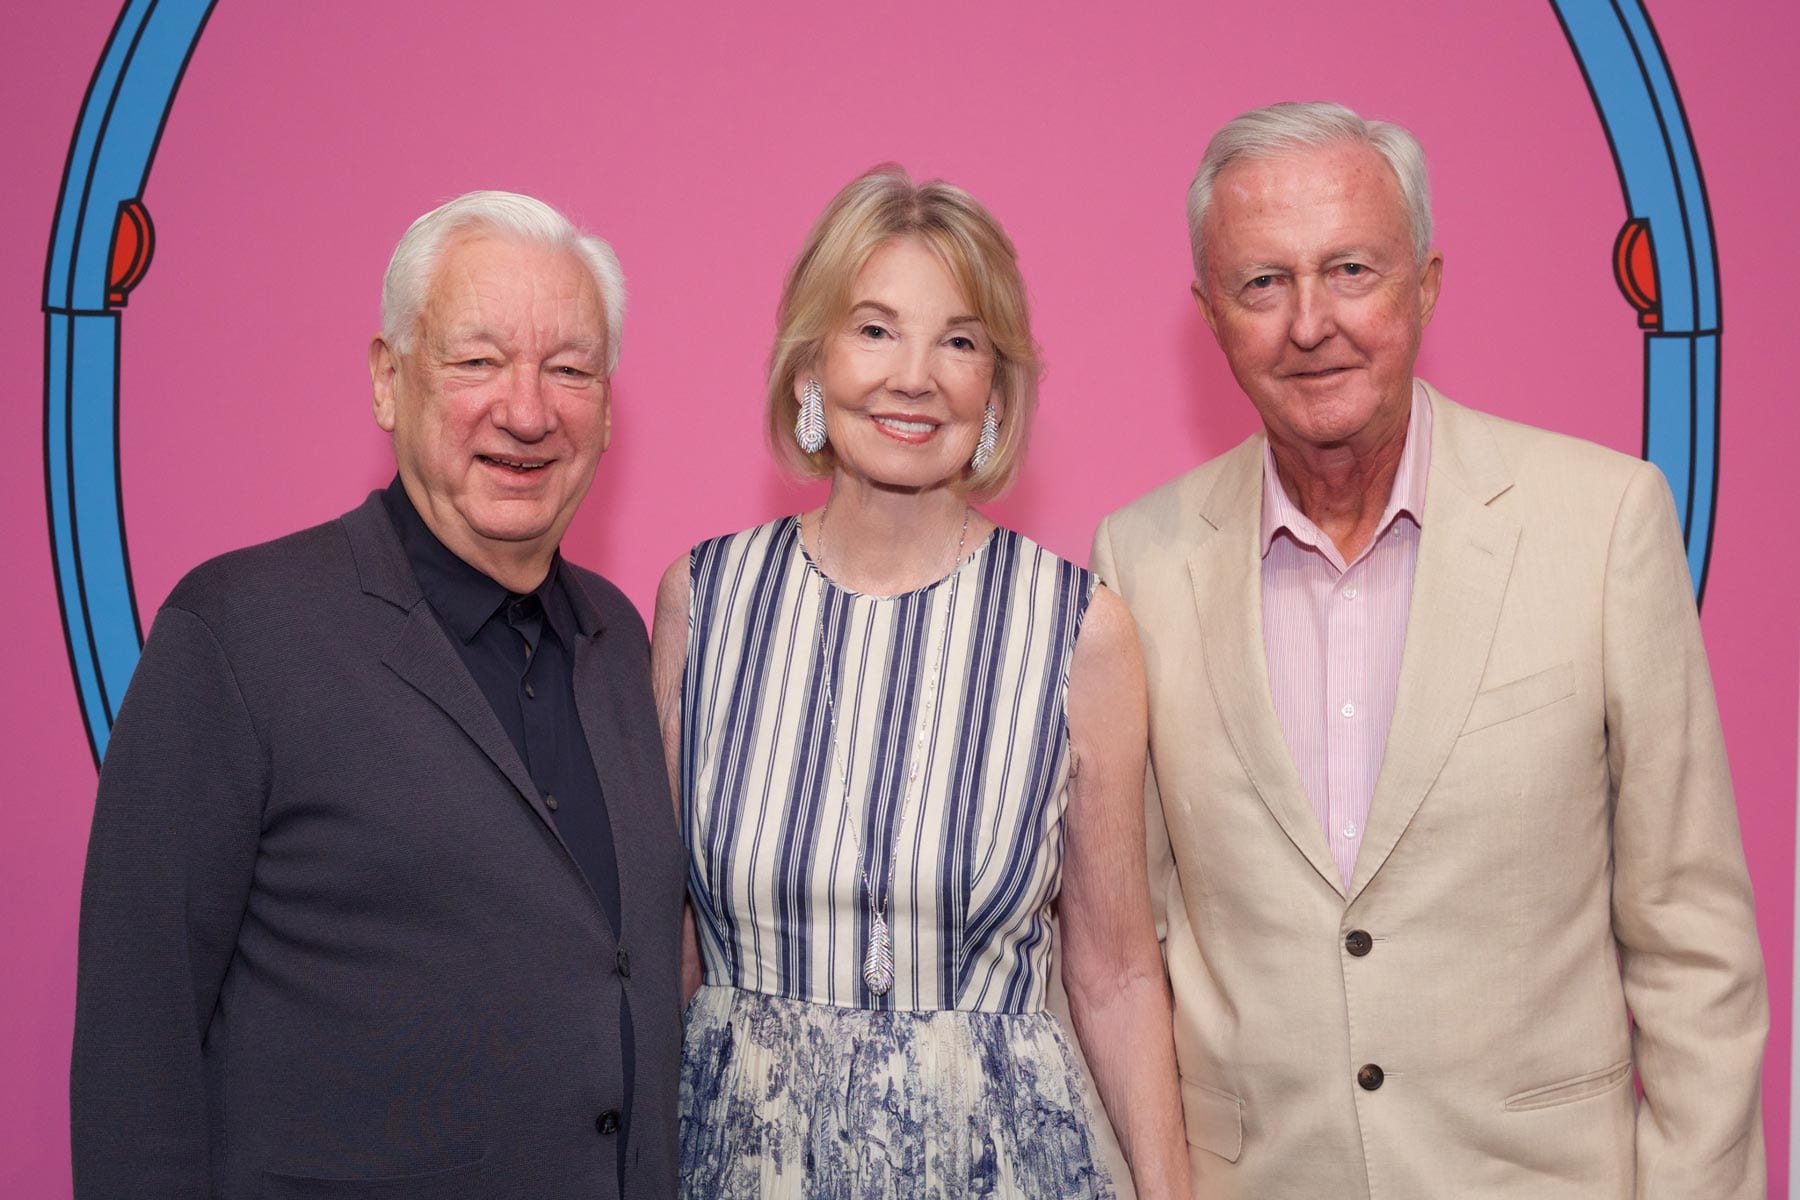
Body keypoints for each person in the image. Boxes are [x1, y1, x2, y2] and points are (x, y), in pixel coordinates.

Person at [1093, 101, 1768, 1197]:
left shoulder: (1601, 523)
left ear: (1427, 284)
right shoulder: (1140, 559)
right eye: (1263, 283)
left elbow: (1694, 947)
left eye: (1352, 268)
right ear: (1210, 315)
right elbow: (1135, 949)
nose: (1311, 323)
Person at [70, 191, 684, 1199]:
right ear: (388, 381)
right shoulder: (237, 634)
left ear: (608, 410)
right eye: (477, 361)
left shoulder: (620, 642)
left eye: (569, 370)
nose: (527, 411)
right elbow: (140, 1040)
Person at [651, 166, 1187, 1199]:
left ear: (995, 386)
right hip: (737, 1166)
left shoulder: (1079, 630)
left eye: (959, 340)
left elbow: (1115, 971)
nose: (914, 378)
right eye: (874, 330)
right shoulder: (702, 602)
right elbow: (666, 944)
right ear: (811, 363)